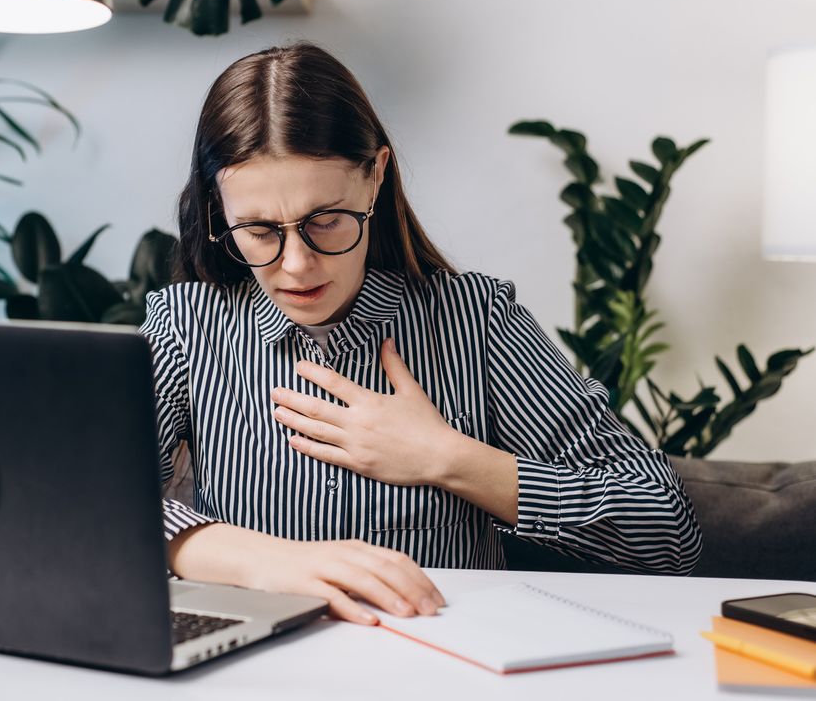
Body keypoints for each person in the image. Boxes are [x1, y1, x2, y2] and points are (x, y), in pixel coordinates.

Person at [139, 42, 702, 626]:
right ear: (218, 209)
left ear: (375, 177)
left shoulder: (477, 320)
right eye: (258, 230)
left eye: (326, 220)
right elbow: (80, 509)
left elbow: (668, 530)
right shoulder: (186, 327)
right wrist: (267, 562)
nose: (298, 265)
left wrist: (448, 458)